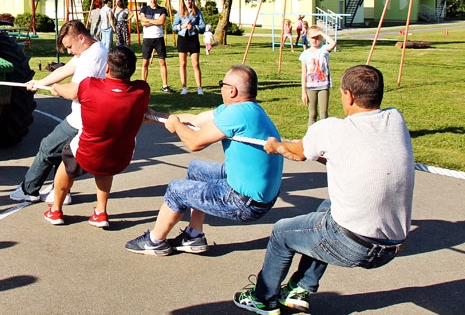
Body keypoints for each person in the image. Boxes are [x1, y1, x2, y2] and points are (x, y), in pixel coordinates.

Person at [233, 65, 414, 315]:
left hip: (354, 245)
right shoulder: (395, 119)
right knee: (327, 207)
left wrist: (275, 146)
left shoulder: (331, 129)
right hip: (394, 245)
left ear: (348, 96)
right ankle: (300, 287)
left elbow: (296, 153)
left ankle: (263, 298)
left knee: (281, 233)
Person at [125, 64, 282, 256]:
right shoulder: (246, 109)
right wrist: (159, 117)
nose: (221, 88)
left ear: (232, 90)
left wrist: (175, 126)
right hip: (253, 189)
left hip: (247, 202)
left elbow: (194, 142)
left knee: (176, 190)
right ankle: (194, 235)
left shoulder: (238, 113)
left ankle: (154, 241)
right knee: (197, 169)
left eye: (222, 84)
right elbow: (196, 120)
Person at [43, 46, 151, 227]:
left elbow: (69, 92)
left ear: (107, 69)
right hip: (119, 157)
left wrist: (56, 87)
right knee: (105, 161)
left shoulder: (90, 86)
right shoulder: (142, 91)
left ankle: (56, 210)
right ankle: (100, 212)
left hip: (88, 151)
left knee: (67, 162)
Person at [9, 20, 108, 203]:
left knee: (47, 147)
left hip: (81, 119)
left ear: (81, 38)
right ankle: (60, 191)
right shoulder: (92, 49)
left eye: (70, 47)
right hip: (87, 118)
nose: (69, 51)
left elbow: (74, 91)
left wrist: (56, 88)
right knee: (63, 152)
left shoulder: (90, 59)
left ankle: (28, 190)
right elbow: (67, 68)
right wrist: (40, 83)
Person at [299, 26, 337, 126]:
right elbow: (304, 73)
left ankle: (324, 137)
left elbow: (333, 43)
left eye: (317, 37)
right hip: (310, 87)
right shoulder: (305, 54)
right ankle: (311, 137)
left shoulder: (324, 50)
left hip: (323, 86)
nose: (315, 40)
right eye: (312, 37)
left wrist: (321, 33)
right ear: (308, 38)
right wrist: (303, 92)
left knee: (323, 114)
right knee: (312, 114)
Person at [139, 0, 173, 93]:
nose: (153, 1)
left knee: (162, 61)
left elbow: (161, 22)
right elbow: (142, 23)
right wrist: (155, 22)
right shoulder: (144, 9)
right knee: (145, 62)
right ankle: (143, 85)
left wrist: (148, 20)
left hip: (159, 38)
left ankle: (165, 85)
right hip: (148, 38)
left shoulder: (162, 9)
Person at [172, 0, 205, 95]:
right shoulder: (180, 12)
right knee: (183, 64)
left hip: (193, 38)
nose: (188, 2)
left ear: (192, 0)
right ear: (183, 1)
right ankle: (184, 87)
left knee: (195, 64)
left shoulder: (197, 12)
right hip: (182, 38)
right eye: (186, 0)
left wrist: (194, 27)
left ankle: (199, 88)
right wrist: (181, 27)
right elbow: (173, 26)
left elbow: (203, 26)